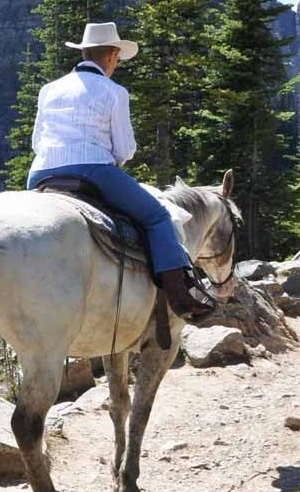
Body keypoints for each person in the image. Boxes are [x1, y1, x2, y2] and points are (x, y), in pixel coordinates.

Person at [24, 22, 214, 320]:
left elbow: (37, 142)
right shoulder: (114, 91)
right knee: (157, 216)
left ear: (85, 51)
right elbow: (124, 149)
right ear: (112, 56)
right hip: (93, 170)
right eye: (118, 60)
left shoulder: (49, 89)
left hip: (41, 173)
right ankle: (180, 297)